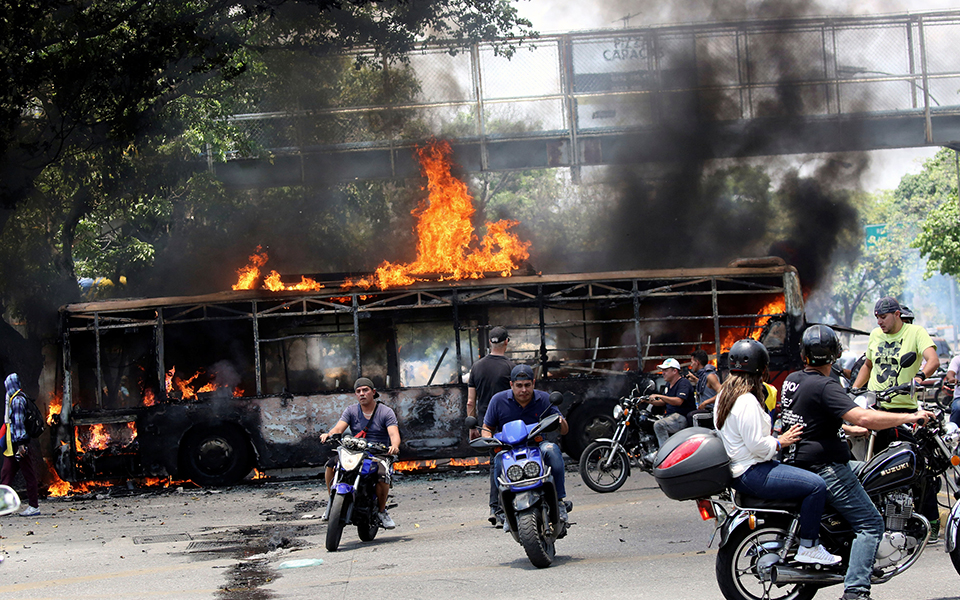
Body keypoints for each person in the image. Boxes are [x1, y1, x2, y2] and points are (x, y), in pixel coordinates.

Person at [780, 325, 934, 600]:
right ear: (835, 355)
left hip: (801, 460)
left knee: (872, 474)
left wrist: (847, 431)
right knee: (871, 523)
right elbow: (864, 417)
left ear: (804, 354)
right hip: (826, 467)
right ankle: (856, 590)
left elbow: (810, 419)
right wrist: (910, 417)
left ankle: (853, 549)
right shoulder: (825, 385)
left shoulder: (793, 379)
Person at [715, 339, 840, 566]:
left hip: (739, 470)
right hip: (753, 471)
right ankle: (809, 546)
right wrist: (780, 441)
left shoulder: (725, 395)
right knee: (816, 485)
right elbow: (758, 446)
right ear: (761, 369)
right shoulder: (747, 401)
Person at [850, 296, 941, 536]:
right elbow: (868, 365)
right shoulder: (875, 335)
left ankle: (930, 520)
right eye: (877, 317)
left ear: (897, 314)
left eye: (884, 317)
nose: (879, 321)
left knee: (919, 465)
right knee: (876, 470)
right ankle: (881, 520)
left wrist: (919, 377)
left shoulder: (916, 332)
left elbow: (933, 359)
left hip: (907, 413)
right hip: (878, 411)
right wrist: (853, 392)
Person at [482, 364, 570, 527]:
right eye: (519, 385)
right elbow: (487, 428)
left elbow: (564, 430)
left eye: (527, 385)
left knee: (552, 450)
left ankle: (559, 501)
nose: (524, 390)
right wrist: (489, 439)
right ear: (511, 385)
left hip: (537, 447)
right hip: (509, 450)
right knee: (498, 458)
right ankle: (503, 508)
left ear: (533, 383)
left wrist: (560, 421)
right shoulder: (498, 400)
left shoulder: (544, 399)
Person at [320, 377, 401, 529]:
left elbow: (394, 435)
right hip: (355, 451)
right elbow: (338, 428)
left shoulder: (386, 412)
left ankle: (382, 511)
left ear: (373, 392)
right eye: (358, 391)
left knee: (383, 475)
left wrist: (394, 446)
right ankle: (331, 501)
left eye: (365, 390)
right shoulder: (351, 411)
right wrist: (329, 434)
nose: (362, 394)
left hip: (377, 453)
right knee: (331, 465)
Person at [466, 326, 514, 527]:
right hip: (508, 422)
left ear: (489, 343)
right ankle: (507, 507)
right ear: (506, 342)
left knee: (495, 462)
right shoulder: (511, 367)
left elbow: (470, 401)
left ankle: (495, 508)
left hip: (486, 423)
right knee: (513, 461)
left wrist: (472, 425)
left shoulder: (476, 367)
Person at [1, 374, 40, 517]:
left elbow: (18, 425)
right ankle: (4, 507)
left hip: (19, 446)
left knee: (28, 475)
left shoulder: (17, 401)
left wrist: (21, 445)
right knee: (6, 476)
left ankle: (34, 506)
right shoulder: (16, 398)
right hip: (12, 447)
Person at [643, 358, 695, 449]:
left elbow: (679, 401)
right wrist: (644, 400)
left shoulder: (683, 383)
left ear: (675, 371)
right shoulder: (668, 384)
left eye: (665, 370)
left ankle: (665, 453)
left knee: (659, 425)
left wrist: (660, 396)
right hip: (670, 416)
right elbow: (662, 402)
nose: (663, 373)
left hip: (681, 418)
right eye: (662, 370)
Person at [685, 349, 722, 427]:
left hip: (711, 412)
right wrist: (696, 380)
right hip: (705, 410)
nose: (691, 365)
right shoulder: (703, 377)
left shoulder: (710, 376)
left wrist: (706, 402)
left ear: (697, 362)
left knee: (691, 416)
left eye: (692, 362)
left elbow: (723, 393)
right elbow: (707, 387)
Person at [945, 353, 960, 429]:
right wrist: (951, 378)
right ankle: (952, 432)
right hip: (959, 397)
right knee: (958, 409)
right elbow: (950, 372)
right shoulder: (957, 359)